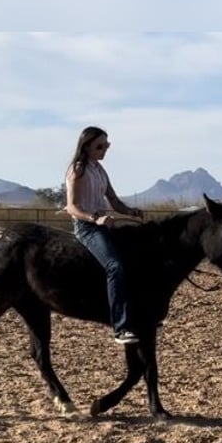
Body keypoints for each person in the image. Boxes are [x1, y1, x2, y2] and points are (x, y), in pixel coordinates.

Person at [65, 126, 144, 345]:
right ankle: (120, 328)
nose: (105, 149)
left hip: (105, 225)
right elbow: (72, 207)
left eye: (107, 145)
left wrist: (131, 212)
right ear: (87, 145)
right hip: (87, 228)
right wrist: (95, 219)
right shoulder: (78, 170)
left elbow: (114, 201)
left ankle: (140, 315)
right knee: (115, 266)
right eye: (100, 146)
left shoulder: (99, 169)